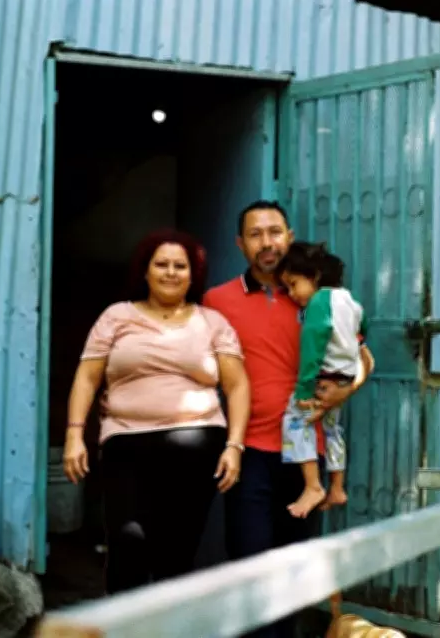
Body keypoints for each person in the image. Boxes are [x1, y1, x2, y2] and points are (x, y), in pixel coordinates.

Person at [203, 201, 374, 638]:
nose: (267, 243)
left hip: (306, 456)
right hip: (249, 451)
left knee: (295, 575)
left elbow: (363, 359)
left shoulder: (318, 296)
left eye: (275, 232)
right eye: (256, 234)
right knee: (249, 569)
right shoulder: (217, 301)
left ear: (290, 236)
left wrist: (344, 390)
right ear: (240, 244)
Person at [62, 229, 250, 594]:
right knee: (127, 541)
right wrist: (73, 434)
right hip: (125, 444)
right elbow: (87, 377)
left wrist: (235, 446)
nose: (170, 272)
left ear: (192, 275)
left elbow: (237, 385)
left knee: (176, 552)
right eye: (161, 264)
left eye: (180, 266)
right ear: (145, 271)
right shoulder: (117, 317)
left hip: (196, 445)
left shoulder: (212, 323)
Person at [274, 241, 369, 518]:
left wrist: (304, 387)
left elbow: (313, 347)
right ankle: (337, 487)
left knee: (294, 420)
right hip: (343, 377)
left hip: (323, 376)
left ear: (313, 276)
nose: (292, 294)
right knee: (331, 429)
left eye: (293, 284)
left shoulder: (319, 302)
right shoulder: (350, 300)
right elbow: (363, 329)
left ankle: (313, 485)